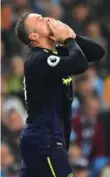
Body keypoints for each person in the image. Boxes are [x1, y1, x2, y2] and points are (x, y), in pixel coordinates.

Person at [15, 13, 105, 177]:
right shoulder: (37, 60)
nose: (47, 19)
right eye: (40, 20)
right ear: (33, 35)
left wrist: (71, 35)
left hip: (48, 139)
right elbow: (79, 64)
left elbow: (97, 52)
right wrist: (68, 40)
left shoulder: (57, 53)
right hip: (44, 140)